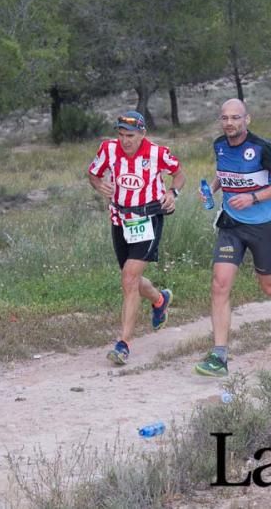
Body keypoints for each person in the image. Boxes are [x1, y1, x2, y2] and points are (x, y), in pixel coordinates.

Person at [194, 99, 271, 377]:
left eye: (235, 118)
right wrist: (212, 189)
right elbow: (223, 173)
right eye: (224, 118)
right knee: (220, 285)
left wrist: (254, 197)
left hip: (262, 226)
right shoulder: (219, 144)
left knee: (269, 286)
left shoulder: (261, 148)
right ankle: (219, 357)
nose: (229, 123)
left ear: (247, 119)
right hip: (231, 225)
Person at [87, 111, 185, 366]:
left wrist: (173, 193)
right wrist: (99, 186)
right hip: (119, 220)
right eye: (121, 135)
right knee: (131, 277)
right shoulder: (108, 150)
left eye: (130, 136)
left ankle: (124, 344)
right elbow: (93, 174)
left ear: (143, 134)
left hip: (148, 219)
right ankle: (159, 300)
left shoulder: (157, 153)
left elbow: (179, 173)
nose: (125, 141)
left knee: (129, 279)